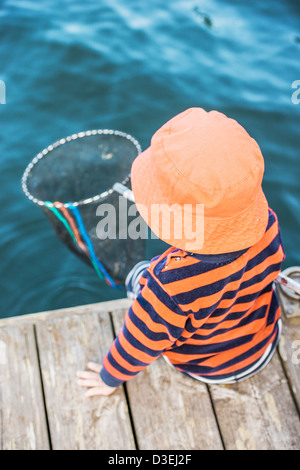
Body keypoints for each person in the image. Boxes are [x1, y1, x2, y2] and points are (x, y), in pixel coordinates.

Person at [76, 107, 285, 397]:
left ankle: (137, 278)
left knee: (145, 287)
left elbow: (141, 341)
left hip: (209, 367)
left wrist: (109, 377)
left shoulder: (169, 285)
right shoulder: (268, 223)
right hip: (264, 341)